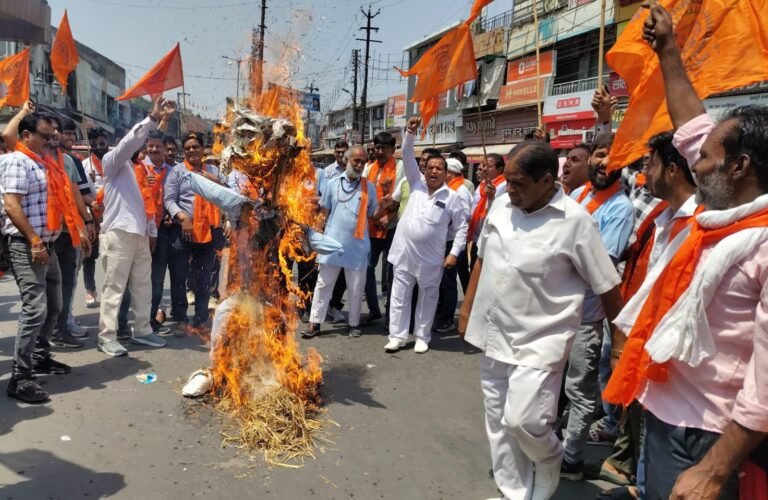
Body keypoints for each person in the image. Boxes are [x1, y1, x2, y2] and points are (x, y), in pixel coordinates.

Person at [604, 6, 768, 499]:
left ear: (738, 167)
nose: (693, 161)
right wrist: (668, 49)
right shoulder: (715, 218)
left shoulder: (759, 242)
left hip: (712, 439)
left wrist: (716, 470)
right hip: (663, 413)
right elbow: (693, 124)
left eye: (706, 158)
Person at [458, 139, 623, 500]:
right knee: (500, 425)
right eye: (509, 181)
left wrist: (619, 347)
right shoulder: (501, 206)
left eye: (519, 183)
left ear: (547, 181)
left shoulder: (576, 222)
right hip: (495, 334)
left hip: (542, 340)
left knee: (525, 421)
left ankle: (550, 457)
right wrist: (468, 310)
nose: (510, 190)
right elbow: (483, 258)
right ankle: (514, 492)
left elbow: (608, 285)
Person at [597, 131, 697, 500]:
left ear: (672, 170)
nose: (642, 173)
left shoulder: (702, 223)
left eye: (649, 164)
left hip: (673, 359)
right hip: (644, 339)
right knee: (644, 426)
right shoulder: (662, 215)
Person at [561, 132, 634, 480]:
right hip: (557, 310)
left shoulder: (620, 208)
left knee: (579, 389)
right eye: (601, 155)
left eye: (613, 157)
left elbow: (601, 263)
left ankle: (571, 458)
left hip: (585, 316)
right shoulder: (578, 195)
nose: (604, 163)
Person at [1, 112, 88, 401]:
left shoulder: (47, 164)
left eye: (54, 135)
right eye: (46, 135)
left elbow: (64, 198)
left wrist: (80, 227)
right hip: (28, 245)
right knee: (35, 308)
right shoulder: (17, 161)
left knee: (55, 305)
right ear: (27, 137)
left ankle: (39, 356)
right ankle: (20, 377)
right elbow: (12, 205)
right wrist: (35, 240)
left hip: (47, 246)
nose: (53, 140)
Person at [385, 117, 468, 354]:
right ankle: (397, 336)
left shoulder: (452, 198)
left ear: (446, 173)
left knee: (427, 298)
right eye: (430, 167)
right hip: (403, 254)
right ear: (425, 170)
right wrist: (410, 132)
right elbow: (408, 155)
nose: (433, 171)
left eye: (438, 168)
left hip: (431, 259)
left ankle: (422, 336)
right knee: (399, 297)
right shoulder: (416, 183)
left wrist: (454, 253)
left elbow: (461, 227)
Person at [96, 98, 171, 357]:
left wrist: (151, 232)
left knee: (143, 285)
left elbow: (147, 204)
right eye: (139, 142)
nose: (142, 147)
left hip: (139, 234)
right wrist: (151, 118)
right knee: (114, 286)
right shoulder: (113, 162)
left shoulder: (141, 170)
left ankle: (142, 330)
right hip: (119, 232)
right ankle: (106, 337)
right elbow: (130, 142)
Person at [303, 146, 377, 339]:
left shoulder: (368, 187)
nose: (360, 165)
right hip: (331, 244)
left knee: (355, 287)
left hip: (357, 246)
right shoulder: (332, 184)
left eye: (363, 161)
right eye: (356, 161)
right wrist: (316, 239)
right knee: (323, 284)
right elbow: (323, 213)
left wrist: (388, 205)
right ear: (347, 160)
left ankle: (353, 323)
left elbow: (373, 214)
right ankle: (315, 323)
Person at [165, 132, 227, 330]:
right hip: (183, 231)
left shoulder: (213, 171)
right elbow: (169, 200)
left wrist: (214, 180)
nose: (192, 150)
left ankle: (201, 317)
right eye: (188, 148)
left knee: (204, 276)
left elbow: (228, 192)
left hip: (209, 232)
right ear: (184, 151)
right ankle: (180, 315)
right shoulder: (176, 172)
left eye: (195, 147)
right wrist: (183, 218)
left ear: (203, 149)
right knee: (179, 275)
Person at [362, 131, 403, 326]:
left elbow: (404, 197)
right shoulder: (368, 168)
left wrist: (389, 215)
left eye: (384, 148)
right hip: (370, 226)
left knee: (391, 272)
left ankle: (391, 317)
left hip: (393, 226)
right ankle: (373, 309)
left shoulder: (401, 167)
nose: (379, 151)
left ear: (392, 149)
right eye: (377, 148)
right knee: (367, 268)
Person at [433, 158, 472, 333]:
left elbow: (464, 218)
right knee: (441, 281)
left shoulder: (460, 191)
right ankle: (441, 312)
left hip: (452, 241)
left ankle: (447, 318)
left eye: (443, 170)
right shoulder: (447, 189)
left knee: (448, 282)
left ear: (450, 173)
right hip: (442, 240)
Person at [81, 127, 110, 308]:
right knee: (89, 256)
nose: (99, 147)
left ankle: (112, 290)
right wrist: (89, 179)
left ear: (107, 144)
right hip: (92, 215)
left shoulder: (115, 161)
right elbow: (81, 192)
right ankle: (90, 289)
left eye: (102, 143)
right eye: (94, 144)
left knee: (112, 257)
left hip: (112, 216)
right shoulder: (85, 166)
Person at [468, 153, 507, 271]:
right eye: (483, 165)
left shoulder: (504, 186)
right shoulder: (482, 185)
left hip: (491, 236)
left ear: (500, 169)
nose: (484, 169)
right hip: (477, 234)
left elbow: (501, 210)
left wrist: (491, 198)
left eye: (488, 166)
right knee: (473, 268)